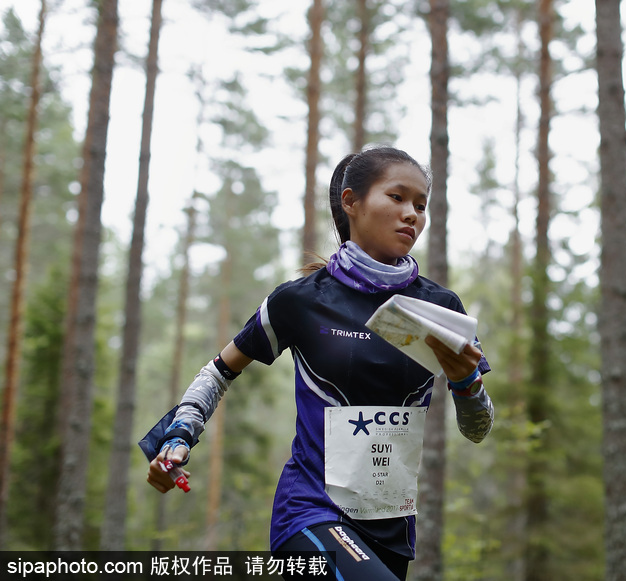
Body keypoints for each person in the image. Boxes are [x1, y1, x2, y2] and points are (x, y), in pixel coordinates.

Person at [146, 146, 494, 580]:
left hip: (391, 527)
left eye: (421, 205)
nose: (413, 215)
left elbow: (477, 428)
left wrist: (466, 384)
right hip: (310, 512)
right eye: (398, 197)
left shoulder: (440, 307)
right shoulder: (302, 300)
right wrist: (177, 437)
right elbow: (219, 370)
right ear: (351, 202)